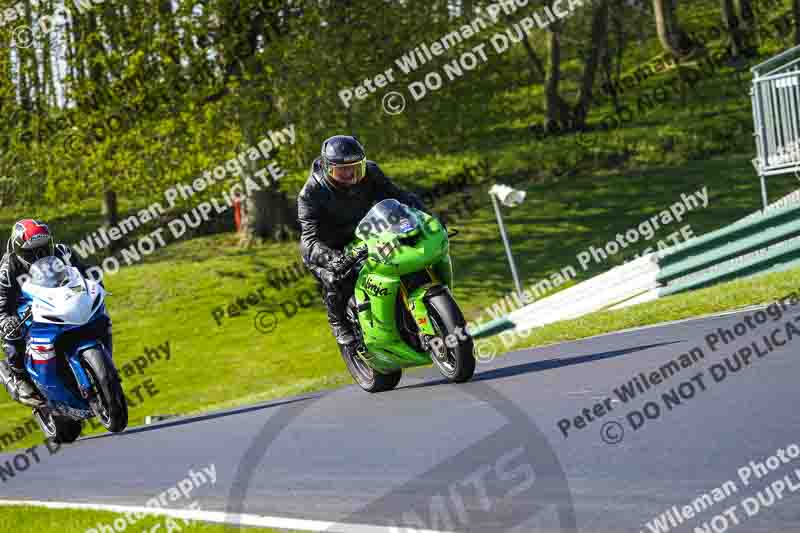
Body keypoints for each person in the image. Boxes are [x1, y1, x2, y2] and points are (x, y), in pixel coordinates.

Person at [297, 135, 425, 361]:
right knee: (336, 278)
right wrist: (331, 258)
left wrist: (426, 216)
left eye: (356, 167)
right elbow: (309, 240)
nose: (350, 175)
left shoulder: (372, 173)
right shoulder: (310, 193)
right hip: (329, 247)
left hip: (366, 233)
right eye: (342, 170)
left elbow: (400, 197)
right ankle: (339, 324)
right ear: (328, 168)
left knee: (405, 253)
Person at [0, 219, 92, 406]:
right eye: (31, 252)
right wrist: (5, 320)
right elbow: (1, 302)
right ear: (19, 251)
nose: (39, 255)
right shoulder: (8, 268)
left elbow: (86, 273)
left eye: (43, 248)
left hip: (59, 296)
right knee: (12, 333)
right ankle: (19, 377)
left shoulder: (62, 252)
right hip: (23, 307)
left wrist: (94, 285)